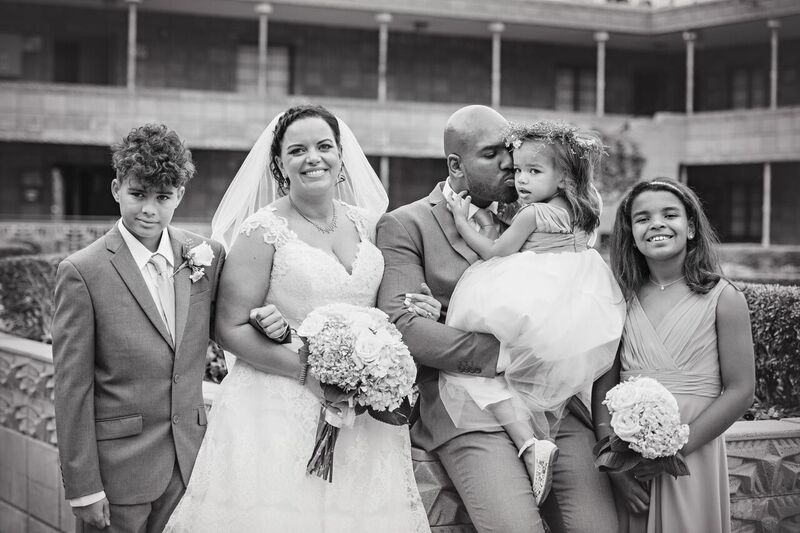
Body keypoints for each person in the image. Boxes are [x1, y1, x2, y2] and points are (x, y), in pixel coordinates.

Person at [164, 104, 431, 532]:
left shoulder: (371, 225)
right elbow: (228, 329)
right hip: (276, 408)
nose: (313, 158)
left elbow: (387, 312)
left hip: (361, 416)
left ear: (341, 157)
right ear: (279, 165)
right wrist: (310, 372)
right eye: (298, 150)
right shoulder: (262, 231)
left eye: (324, 147)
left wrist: (419, 311)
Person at [376, 105, 619, 533]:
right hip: (467, 408)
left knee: (597, 527)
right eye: (493, 155)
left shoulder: (542, 209)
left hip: (554, 401)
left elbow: (578, 303)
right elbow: (405, 327)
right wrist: (508, 354)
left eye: (512, 152)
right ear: (456, 164)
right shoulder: (405, 225)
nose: (511, 165)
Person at [430, 120, 625, 506]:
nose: (520, 179)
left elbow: (494, 253)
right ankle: (538, 438)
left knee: (474, 371)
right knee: (526, 376)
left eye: (533, 172)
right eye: (518, 170)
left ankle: (529, 442)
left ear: (564, 176)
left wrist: (459, 220)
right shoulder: (590, 207)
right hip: (575, 306)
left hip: (530, 299)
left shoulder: (532, 215)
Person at [52, 123, 226, 533]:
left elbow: (226, 329)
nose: (149, 209)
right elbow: (72, 388)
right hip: (118, 475)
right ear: (116, 189)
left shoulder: (206, 256)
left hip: (191, 464)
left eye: (162, 197)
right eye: (138, 194)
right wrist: (83, 488)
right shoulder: (82, 271)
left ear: (179, 195)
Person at [593, 178, 755, 533]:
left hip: (694, 455)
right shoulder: (621, 298)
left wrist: (677, 450)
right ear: (630, 233)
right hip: (631, 463)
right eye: (642, 218)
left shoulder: (723, 298)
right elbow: (603, 385)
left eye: (670, 214)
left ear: (692, 227)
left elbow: (741, 389)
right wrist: (613, 466)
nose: (656, 224)